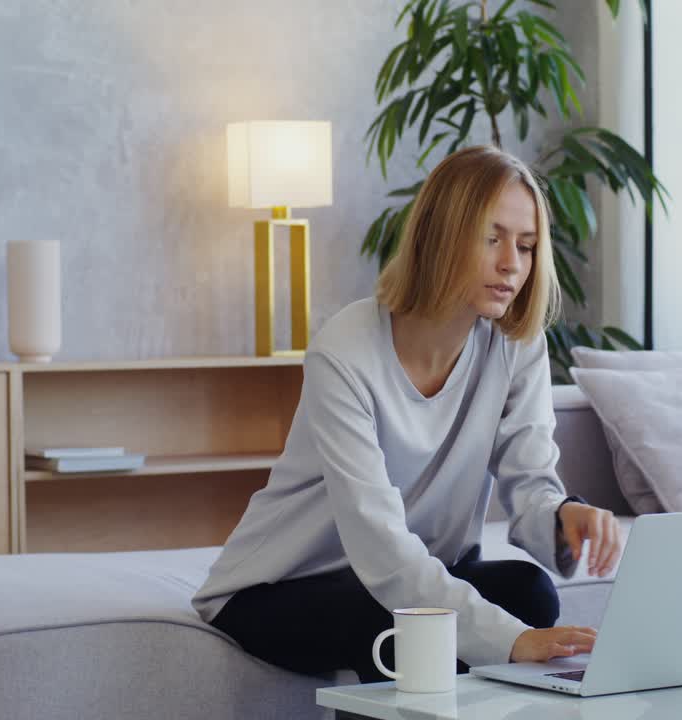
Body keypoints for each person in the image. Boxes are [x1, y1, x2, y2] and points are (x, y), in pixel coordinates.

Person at [193, 144, 623, 682]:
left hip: (411, 574)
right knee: (396, 622)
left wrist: (563, 519)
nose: (512, 264)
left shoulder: (516, 344)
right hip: (279, 586)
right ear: (441, 236)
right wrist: (510, 642)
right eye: (491, 239)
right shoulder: (345, 351)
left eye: (527, 245)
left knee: (529, 592)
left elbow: (530, 482)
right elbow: (381, 548)